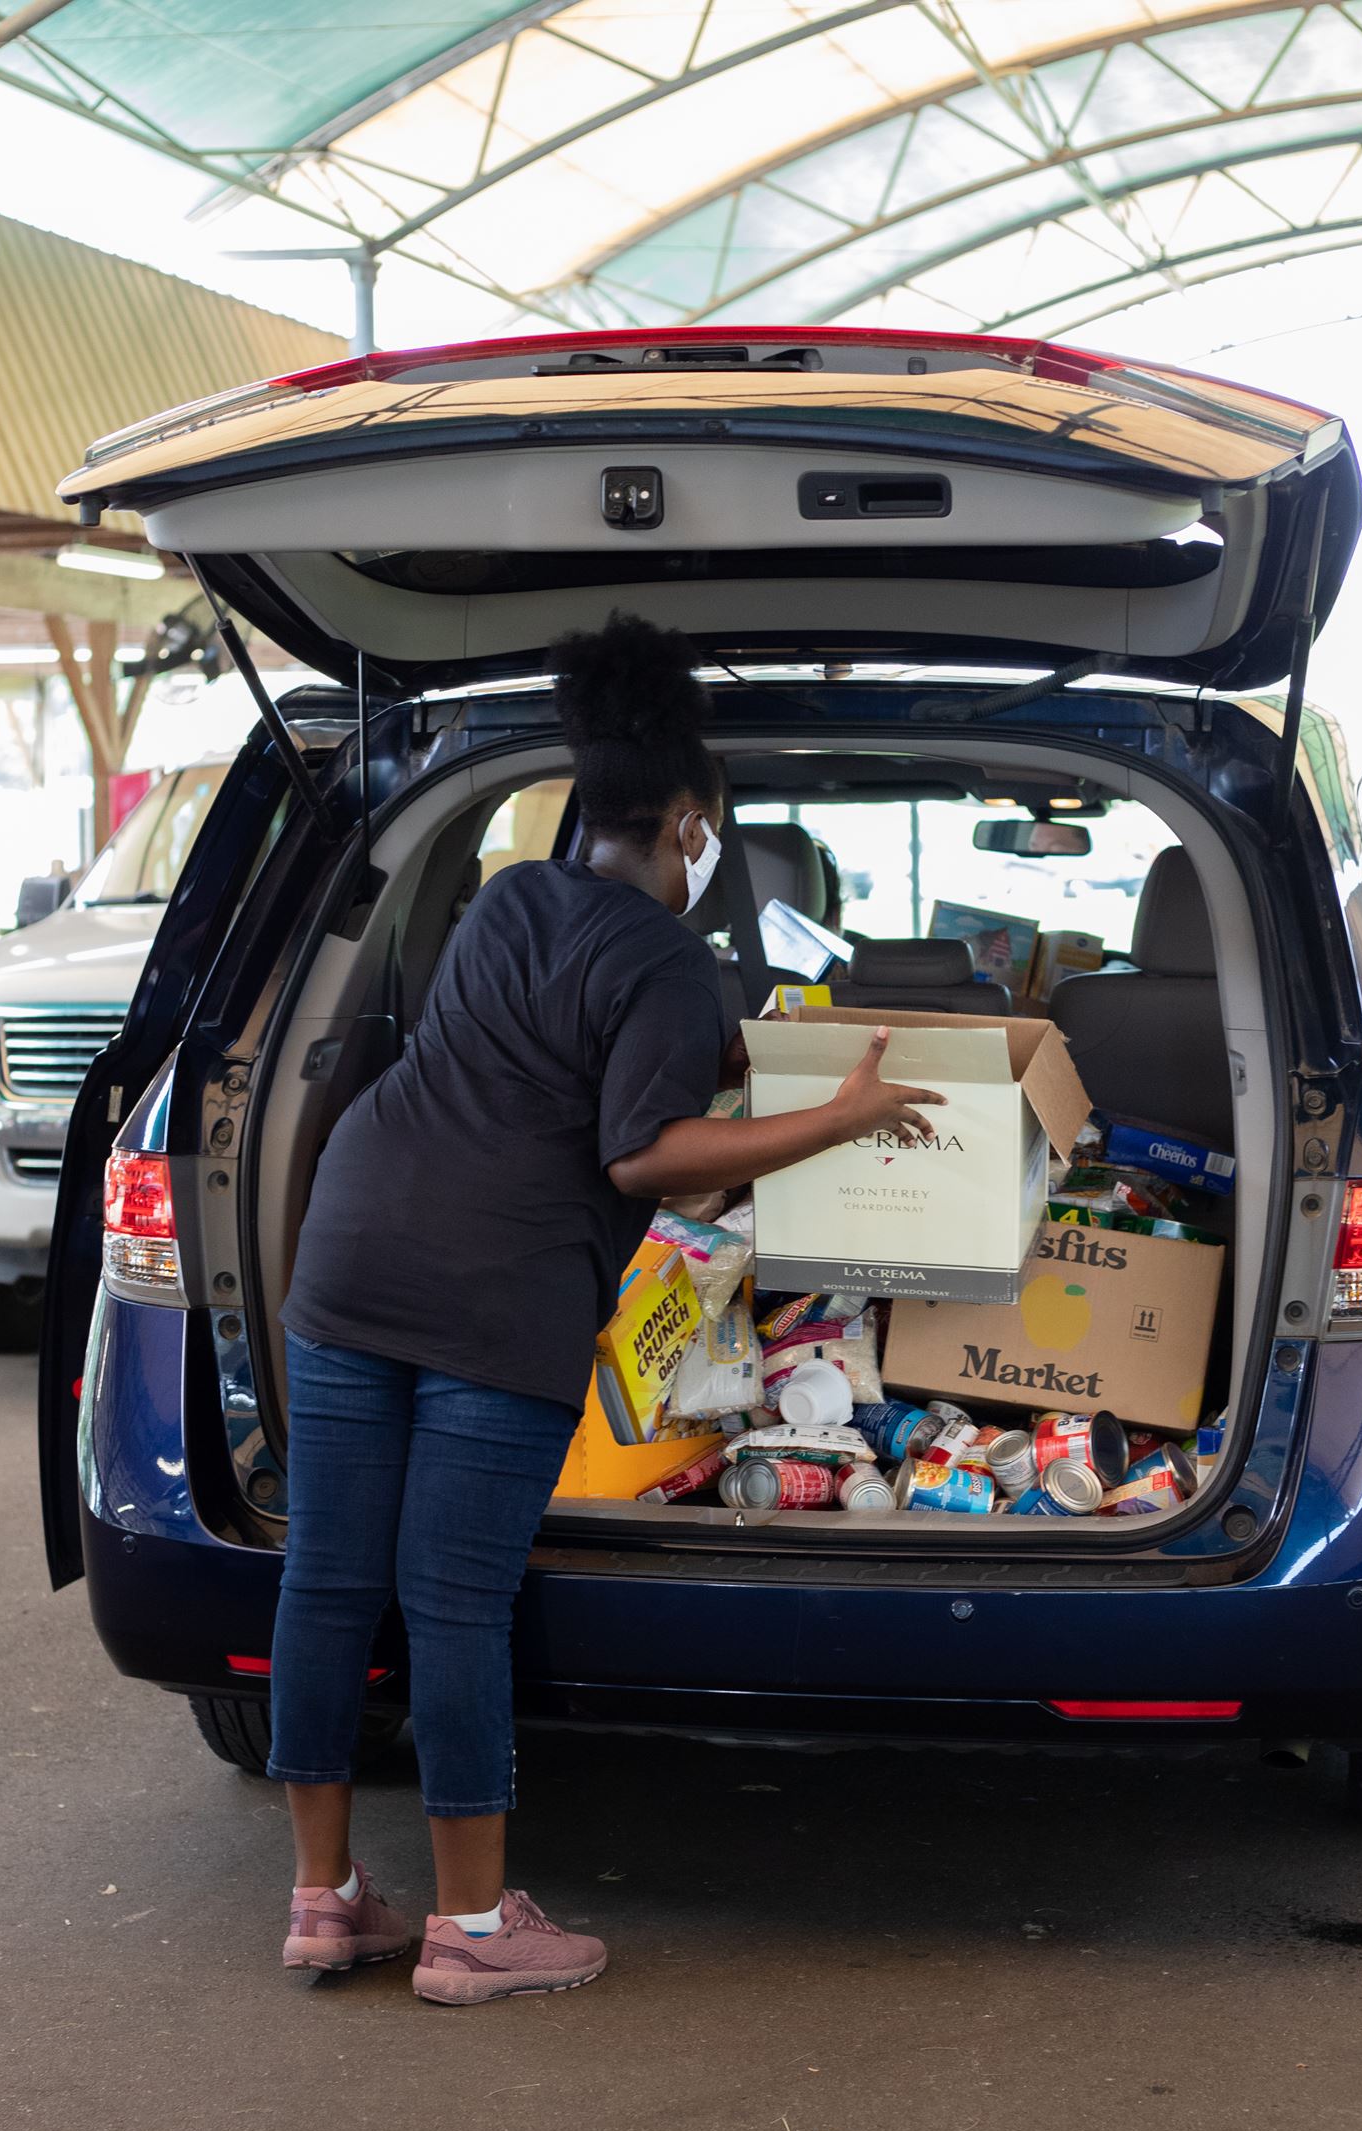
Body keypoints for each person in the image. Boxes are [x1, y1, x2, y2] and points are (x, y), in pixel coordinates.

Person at [268, 611, 943, 2004]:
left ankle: (324, 1903)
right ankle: (471, 1929)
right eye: (709, 835)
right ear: (687, 822)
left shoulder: (509, 897)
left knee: (328, 1580)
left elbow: (548, 1056)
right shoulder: (667, 963)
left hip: (351, 1247)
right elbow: (644, 1154)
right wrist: (840, 1118)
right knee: (454, 1604)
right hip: (496, 1290)